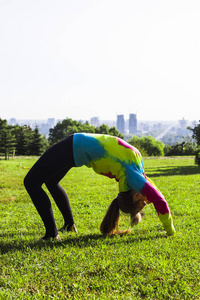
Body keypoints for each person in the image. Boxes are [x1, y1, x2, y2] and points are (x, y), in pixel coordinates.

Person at [24, 133, 175, 241]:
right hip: (74, 147)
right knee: (49, 182)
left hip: (74, 147)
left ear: (135, 195)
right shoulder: (136, 176)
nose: (147, 201)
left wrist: (168, 229)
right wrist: (169, 230)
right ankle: (68, 226)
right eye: (145, 203)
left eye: (144, 203)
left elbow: (157, 198)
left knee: (31, 182)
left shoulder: (133, 177)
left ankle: (52, 234)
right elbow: (158, 198)